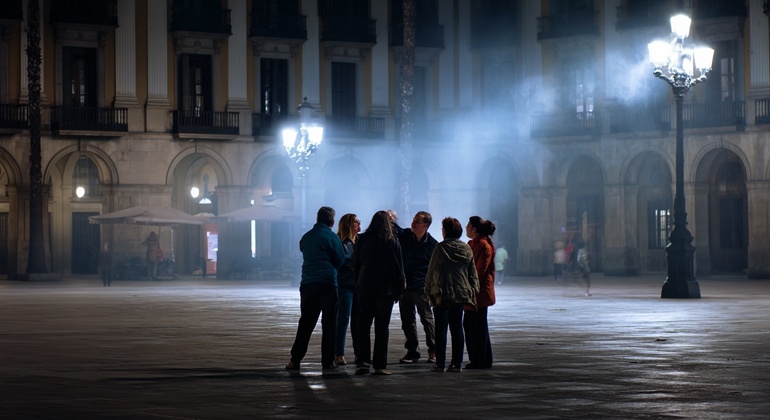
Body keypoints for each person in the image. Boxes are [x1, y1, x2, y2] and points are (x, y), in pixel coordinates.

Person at [285, 207, 346, 371]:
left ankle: (295, 359)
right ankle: (328, 360)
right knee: (329, 323)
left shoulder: (306, 237)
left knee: (306, 322)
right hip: (327, 283)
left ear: (317, 218)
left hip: (308, 284)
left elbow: (303, 250)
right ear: (332, 221)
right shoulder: (332, 237)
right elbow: (340, 260)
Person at [352, 210, 406, 375]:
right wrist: (399, 289)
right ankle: (380, 365)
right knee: (382, 327)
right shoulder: (392, 241)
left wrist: (358, 282)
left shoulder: (362, 239)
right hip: (385, 289)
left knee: (363, 325)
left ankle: (363, 361)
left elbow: (355, 263)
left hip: (365, 287)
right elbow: (399, 268)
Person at [425, 217, 479, 372]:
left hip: (442, 294)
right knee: (457, 329)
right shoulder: (466, 248)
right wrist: (473, 291)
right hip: (460, 294)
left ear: (445, 231)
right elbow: (472, 273)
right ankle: (456, 364)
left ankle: (440, 364)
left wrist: (428, 292)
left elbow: (431, 272)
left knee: (440, 330)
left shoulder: (440, 248)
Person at [398, 211, 438, 365]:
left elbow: (434, 269)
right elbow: (394, 228)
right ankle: (412, 351)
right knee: (407, 321)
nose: (413, 223)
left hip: (422, 287)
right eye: (413, 219)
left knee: (427, 319)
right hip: (405, 287)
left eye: (417, 221)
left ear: (426, 225)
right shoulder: (405, 236)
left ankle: (433, 350)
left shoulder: (432, 245)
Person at [464, 216, 496, 369]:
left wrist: (468, 285)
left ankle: (480, 360)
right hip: (472, 292)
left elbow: (479, 271)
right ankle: (480, 359)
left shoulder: (483, 246)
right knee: (471, 326)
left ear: (474, 229)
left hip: (479, 293)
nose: (466, 228)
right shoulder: (473, 244)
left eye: (468, 225)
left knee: (477, 327)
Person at [334, 213, 361, 366]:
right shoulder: (342, 242)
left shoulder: (360, 241)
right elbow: (342, 262)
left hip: (358, 285)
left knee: (357, 321)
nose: (359, 223)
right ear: (349, 225)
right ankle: (339, 353)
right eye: (356, 221)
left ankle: (358, 353)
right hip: (345, 285)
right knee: (343, 320)